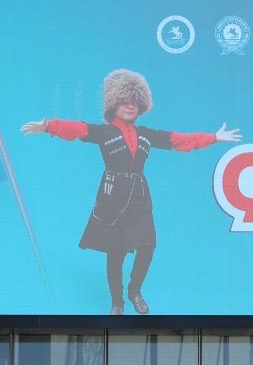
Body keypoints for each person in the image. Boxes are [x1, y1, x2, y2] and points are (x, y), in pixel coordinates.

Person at [21, 69, 241, 314]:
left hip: (139, 197)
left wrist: (214, 137)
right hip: (112, 198)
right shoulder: (103, 132)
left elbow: (179, 139)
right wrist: (47, 126)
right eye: (124, 101)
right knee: (115, 253)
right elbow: (76, 128)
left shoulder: (146, 134)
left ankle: (134, 290)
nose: (130, 106)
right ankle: (117, 301)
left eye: (135, 102)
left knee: (148, 245)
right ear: (113, 105)